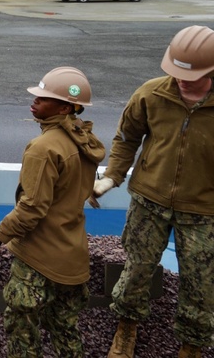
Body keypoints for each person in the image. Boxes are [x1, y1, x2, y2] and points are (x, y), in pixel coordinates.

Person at [92, 25, 214, 358]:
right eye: (175, 73)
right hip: (150, 201)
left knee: (202, 286)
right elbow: (127, 138)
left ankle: (191, 345)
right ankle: (126, 329)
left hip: (204, 210)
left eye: (190, 75)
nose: (181, 81)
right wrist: (112, 177)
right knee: (136, 272)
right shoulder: (151, 94)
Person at [0, 66, 104, 358]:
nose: (34, 100)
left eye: (44, 98)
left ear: (66, 106)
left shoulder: (43, 148)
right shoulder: (84, 141)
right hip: (72, 255)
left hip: (39, 257)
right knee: (65, 328)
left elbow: (32, 207)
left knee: (22, 327)